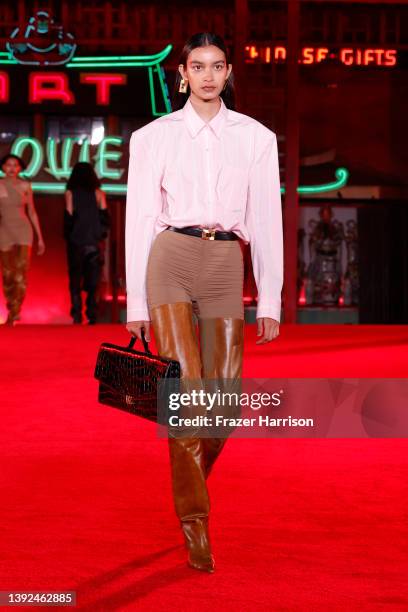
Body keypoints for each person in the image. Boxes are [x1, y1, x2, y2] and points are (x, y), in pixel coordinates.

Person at [125, 32, 283, 573]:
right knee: (187, 395)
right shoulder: (152, 137)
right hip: (168, 260)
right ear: (182, 75)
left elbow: (266, 219)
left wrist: (271, 298)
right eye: (198, 66)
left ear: (229, 72)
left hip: (223, 266)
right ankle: (195, 523)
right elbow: (140, 217)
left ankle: (187, 469)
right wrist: (135, 302)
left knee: (225, 402)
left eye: (217, 66)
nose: (209, 75)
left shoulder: (257, 138)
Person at [0, 154, 45, 325]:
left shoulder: (26, 185)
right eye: (8, 165)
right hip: (4, 230)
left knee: (21, 272)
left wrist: (40, 238)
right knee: (7, 273)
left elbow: (32, 211)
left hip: (24, 231)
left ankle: (15, 312)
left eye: (15, 165)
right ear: (3, 167)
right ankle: (12, 307)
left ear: (20, 168)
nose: (12, 168)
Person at [64, 162, 110, 324]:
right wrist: (100, 235)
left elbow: (68, 219)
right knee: (93, 279)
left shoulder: (70, 193)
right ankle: (92, 314)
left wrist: (70, 237)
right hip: (93, 240)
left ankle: (77, 314)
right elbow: (105, 218)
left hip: (76, 240)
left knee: (75, 278)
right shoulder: (99, 193)